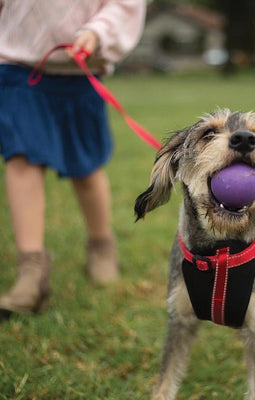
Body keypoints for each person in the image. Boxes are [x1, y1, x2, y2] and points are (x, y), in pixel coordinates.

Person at [0, 0, 146, 316]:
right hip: (16, 65)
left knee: (86, 167)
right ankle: (31, 271)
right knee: (21, 158)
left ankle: (101, 246)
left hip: (80, 69)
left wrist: (97, 32)